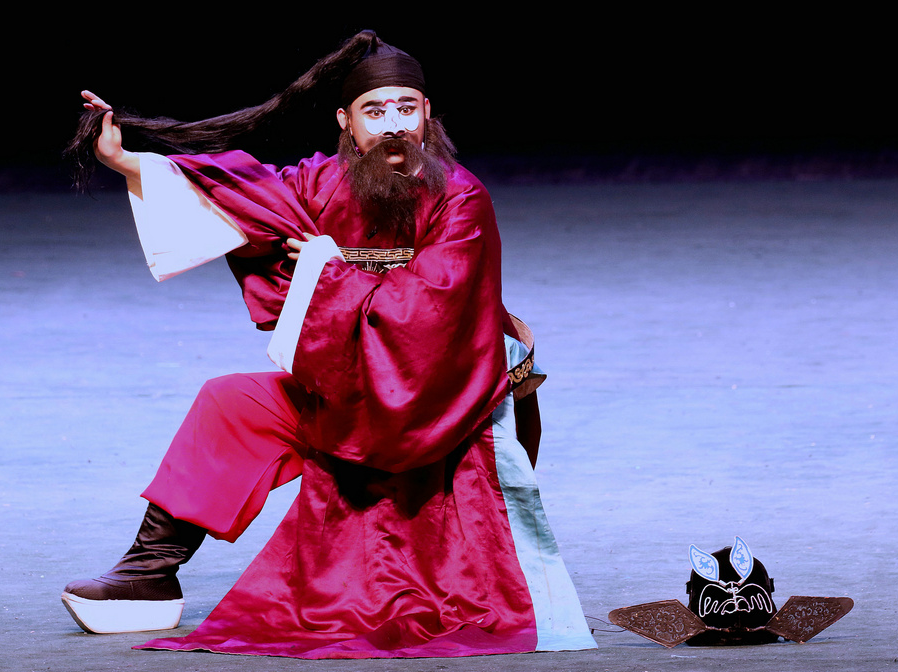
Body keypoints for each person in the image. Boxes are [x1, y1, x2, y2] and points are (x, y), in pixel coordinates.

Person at [61, 30, 597, 659]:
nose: (393, 124)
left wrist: (328, 269)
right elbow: (244, 195)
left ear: (427, 114)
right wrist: (127, 162)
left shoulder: (461, 199)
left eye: (406, 108)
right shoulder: (321, 183)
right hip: (346, 387)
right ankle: (149, 572)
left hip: (443, 410)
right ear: (347, 122)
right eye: (375, 111)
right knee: (231, 403)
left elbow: (431, 318)